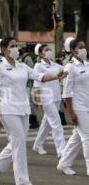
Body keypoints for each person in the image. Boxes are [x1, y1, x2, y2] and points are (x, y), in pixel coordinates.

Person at [0, 37, 67, 185]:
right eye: (12, 46)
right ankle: (22, 181)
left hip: (23, 109)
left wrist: (56, 76)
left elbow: (39, 76)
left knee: (18, 142)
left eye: (16, 45)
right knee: (19, 144)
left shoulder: (22, 66)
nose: (16, 48)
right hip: (8, 109)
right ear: (4, 49)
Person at [57, 38, 89, 176]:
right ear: (73, 50)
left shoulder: (87, 64)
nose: (84, 49)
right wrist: (71, 112)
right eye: (80, 47)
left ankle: (64, 164)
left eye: (84, 46)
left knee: (77, 137)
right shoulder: (70, 67)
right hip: (78, 107)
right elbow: (66, 92)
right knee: (87, 137)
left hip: (87, 104)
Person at [32, 43, 66, 157]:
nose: (49, 51)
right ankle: (61, 150)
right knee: (56, 123)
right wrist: (39, 101)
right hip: (46, 98)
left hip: (56, 97)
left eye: (49, 49)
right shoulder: (38, 66)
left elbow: (66, 71)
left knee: (47, 123)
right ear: (41, 54)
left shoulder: (55, 64)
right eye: (46, 50)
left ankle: (37, 145)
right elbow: (36, 84)